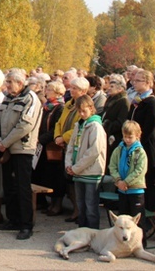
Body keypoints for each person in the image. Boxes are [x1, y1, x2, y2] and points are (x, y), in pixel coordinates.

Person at [0, 68, 43, 240]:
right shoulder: (8, 98)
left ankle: (25, 224)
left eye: (9, 82)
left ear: (20, 83)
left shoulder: (30, 99)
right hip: (6, 147)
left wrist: (5, 142)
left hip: (22, 148)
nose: (6, 85)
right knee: (9, 185)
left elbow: (25, 125)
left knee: (23, 187)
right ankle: (13, 219)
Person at [65, 95, 106, 230]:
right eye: (79, 111)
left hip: (91, 171)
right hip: (77, 170)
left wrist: (76, 167)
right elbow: (71, 146)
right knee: (80, 204)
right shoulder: (79, 125)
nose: (82, 114)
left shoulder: (95, 126)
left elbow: (94, 151)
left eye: (84, 111)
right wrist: (69, 164)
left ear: (91, 108)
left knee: (91, 205)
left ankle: (93, 232)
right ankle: (82, 231)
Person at [54, 76, 90, 222]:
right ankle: (75, 208)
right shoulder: (69, 104)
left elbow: (80, 125)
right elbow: (59, 122)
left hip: (76, 145)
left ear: (83, 91)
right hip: (64, 145)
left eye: (75, 88)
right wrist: (57, 137)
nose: (71, 90)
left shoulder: (84, 106)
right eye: (72, 87)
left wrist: (65, 138)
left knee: (74, 179)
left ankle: (79, 210)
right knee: (66, 178)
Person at [128, 69, 155, 212]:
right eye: (133, 80)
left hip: (146, 145)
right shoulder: (136, 101)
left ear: (148, 83)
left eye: (138, 81)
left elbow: (149, 127)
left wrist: (137, 143)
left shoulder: (152, 102)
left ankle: (150, 212)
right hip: (133, 144)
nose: (134, 83)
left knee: (148, 179)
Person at [33, 79, 66, 217]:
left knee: (55, 176)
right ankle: (42, 201)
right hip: (41, 146)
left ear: (58, 93)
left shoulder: (60, 107)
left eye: (50, 90)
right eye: (46, 89)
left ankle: (56, 204)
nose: (46, 92)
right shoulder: (46, 106)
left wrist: (41, 139)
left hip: (52, 146)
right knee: (40, 173)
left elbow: (56, 127)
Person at [109, 120, 147, 226]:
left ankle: (140, 242)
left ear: (137, 136)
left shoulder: (140, 152)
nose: (127, 140)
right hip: (122, 190)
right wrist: (118, 180)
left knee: (137, 221)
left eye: (130, 137)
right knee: (123, 219)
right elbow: (112, 166)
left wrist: (126, 182)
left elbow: (140, 170)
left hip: (136, 191)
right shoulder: (119, 149)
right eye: (125, 137)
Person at [102, 74, 131, 169]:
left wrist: (106, 126)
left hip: (114, 138)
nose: (108, 88)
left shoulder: (123, 102)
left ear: (120, 89)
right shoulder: (110, 99)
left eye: (112, 86)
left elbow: (121, 122)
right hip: (106, 135)